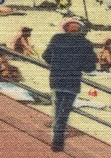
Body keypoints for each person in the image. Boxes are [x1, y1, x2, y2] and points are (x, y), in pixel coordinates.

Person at [42, 18, 98, 151]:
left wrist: (58, 64)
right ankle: (57, 139)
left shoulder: (57, 38)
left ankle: (56, 135)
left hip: (56, 78)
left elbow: (46, 56)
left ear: (65, 29)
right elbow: (90, 68)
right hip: (72, 80)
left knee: (57, 108)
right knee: (64, 110)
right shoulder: (86, 44)